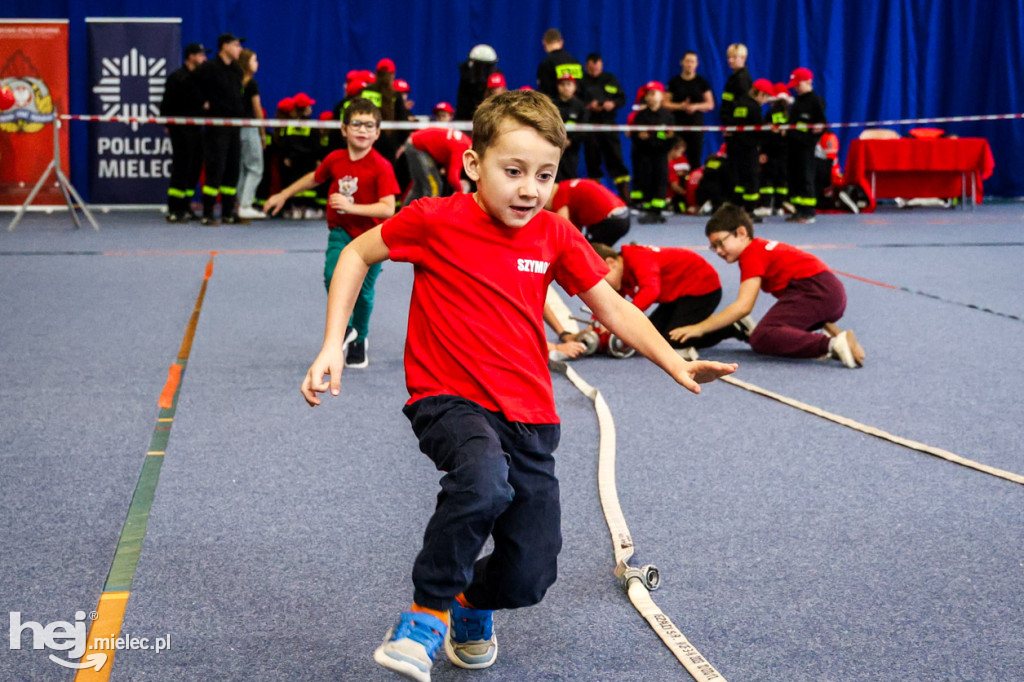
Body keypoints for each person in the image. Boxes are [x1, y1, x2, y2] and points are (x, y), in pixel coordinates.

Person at [298, 90, 738, 681]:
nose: (530, 188)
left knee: (532, 572)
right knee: (481, 484)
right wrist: (333, 342)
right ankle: (425, 614)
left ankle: (469, 603)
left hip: (531, 414)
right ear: (474, 165)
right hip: (448, 399)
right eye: (514, 171)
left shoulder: (554, 234)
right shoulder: (434, 219)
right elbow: (355, 254)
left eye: (545, 175)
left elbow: (611, 307)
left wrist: (673, 361)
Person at [265, 99, 399, 368]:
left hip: (373, 238)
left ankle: (360, 337)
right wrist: (283, 194)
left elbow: (388, 208)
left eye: (369, 125)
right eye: (356, 124)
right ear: (344, 129)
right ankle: (347, 329)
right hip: (341, 232)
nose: (362, 130)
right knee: (333, 276)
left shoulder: (381, 166)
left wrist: (352, 207)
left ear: (377, 133)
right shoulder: (335, 159)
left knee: (364, 291)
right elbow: (314, 178)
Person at [671, 203, 865, 367]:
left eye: (720, 243)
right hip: (829, 293)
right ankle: (830, 333)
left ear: (741, 233)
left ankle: (831, 344)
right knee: (775, 327)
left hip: (817, 291)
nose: (719, 251)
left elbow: (743, 306)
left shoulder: (751, 254)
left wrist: (700, 328)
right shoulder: (760, 247)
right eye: (714, 247)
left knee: (762, 337)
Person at [590, 242, 753, 355]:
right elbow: (609, 304)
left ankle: (731, 327)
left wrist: (621, 318)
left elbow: (651, 290)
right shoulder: (619, 276)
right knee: (651, 338)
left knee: (672, 341)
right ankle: (693, 321)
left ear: (611, 263)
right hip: (677, 297)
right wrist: (596, 325)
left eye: (601, 279)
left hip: (702, 290)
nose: (603, 285)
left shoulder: (637, 257)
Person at [194, 32, 247, 225]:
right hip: (216, 127)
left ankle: (227, 212)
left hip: (234, 126)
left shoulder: (236, 70)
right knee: (215, 168)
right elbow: (192, 86)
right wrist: (203, 102)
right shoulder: (208, 68)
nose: (239, 49)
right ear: (224, 46)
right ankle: (207, 213)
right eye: (236, 45)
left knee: (232, 169)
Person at [161, 42, 208, 222]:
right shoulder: (177, 78)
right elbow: (167, 103)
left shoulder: (201, 78)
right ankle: (174, 208)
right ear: (191, 56)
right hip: (181, 130)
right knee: (182, 166)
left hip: (197, 129)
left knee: (195, 167)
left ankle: (186, 204)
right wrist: (168, 122)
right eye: (201, 55)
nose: (204, 58)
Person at [579, 52, 630, 201]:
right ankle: (595, 199)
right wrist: (588, 106)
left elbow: (622, 98)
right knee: (592, 161)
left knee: (616, 159)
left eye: (597, 65)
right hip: (590, 127)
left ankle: (625, 199)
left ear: (601, 65)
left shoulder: (610, 79)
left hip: (609, 126)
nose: (594, 68)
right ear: (586, 66)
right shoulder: (581, 82)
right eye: (591, 66)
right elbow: (575, 101)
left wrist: (612, 104)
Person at [727, 78, 775, 217]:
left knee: (739, 180)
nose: (765, 101)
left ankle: (737, 207)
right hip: (749, 149)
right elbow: (757, 130)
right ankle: (749, 211)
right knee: (751, 180)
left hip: (735, 148)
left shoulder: (738, 104)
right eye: (766, 97)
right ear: (760, 93)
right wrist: (769, 130)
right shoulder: (754, 107)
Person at [785, 67, 827, 223]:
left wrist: (817, 130)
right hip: (793, 145)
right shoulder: (797, 101)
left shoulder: (815, 101)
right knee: (795, 178)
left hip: (806, 147)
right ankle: (798, 210)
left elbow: (822, 124)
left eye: (798, 84)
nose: (796, 88)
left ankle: (809, 212)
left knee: (805, 177)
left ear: (808, 82)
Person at [630, 81, 674, 223]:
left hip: (660, 155)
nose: (650, 97)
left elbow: (671, 136)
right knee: (646, 180)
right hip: (644, 155)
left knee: (661, 180)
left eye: (653, 93)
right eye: (648, 94)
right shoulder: (641, 116)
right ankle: (648, 209)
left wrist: (654, 136)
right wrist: (645, 136)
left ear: (661, 96)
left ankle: (658, 209)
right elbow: (636, 136)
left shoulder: (668, 116)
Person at [663, 51, 715, 171]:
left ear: (696, 64)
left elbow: (710, 104)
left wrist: (695, 106)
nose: (689, 64)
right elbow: (665, 103)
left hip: (695, 126)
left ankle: (692, 186)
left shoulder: (701, 82)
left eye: (692, 61)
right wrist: (680, 106)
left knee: (695, 159)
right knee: (674, 156)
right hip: (677, 125)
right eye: (687, 61)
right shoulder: (674, 82)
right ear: (682, 62)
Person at [546, 178, 630, 245]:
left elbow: (564, 231)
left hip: (609, 221)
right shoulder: (567, 185)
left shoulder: (559, 197)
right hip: (623, 214)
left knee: (588, 253)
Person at [399, 126, 472, 203]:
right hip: (418, 146)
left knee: (419, 187)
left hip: (414, 143)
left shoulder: (465, 142)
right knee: (434, 186)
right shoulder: (462, 149)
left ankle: (403, 213)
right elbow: (452, 177)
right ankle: (428, 214)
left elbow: (449, 169)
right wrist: (461, 191)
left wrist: (458, 186)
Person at [236, 48, 266, 220]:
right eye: (254, 60)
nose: (257, 64)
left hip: (237, 130)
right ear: (246, 63)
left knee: (242, 169)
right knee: (255, 168)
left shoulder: (236, 82)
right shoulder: (251, 84)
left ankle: (241, 203)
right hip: (249, 128)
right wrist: (262, 133)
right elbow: (257, 110)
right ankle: (245, 205)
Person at [553, 73, 586, 180]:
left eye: (569, 84)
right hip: (554, 148)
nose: (565, 87)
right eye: (562, 84)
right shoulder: (552, 105)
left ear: (575, 87)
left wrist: (571, 141)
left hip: (572, 150)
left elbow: (584, 128)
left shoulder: (580, 106)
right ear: (557, 87)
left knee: (570, 177)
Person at [455, 44, 499, 121]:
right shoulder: (463, 77)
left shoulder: (496, 80)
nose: (483, 72)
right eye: (480, 67)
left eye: (487, 67)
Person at [536, 28, 582, 99]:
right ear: (561, 42)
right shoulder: (575, 61)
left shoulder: (546, 64)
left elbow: (545, 93)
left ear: (544, 43)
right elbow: (581, 88)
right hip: (577, 107)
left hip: (555, 107)